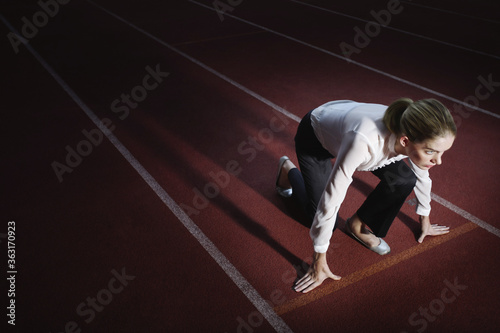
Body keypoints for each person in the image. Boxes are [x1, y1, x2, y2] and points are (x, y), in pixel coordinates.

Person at [275, 98, 457, 293]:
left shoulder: (411, 133)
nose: (438, 161)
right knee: (320, 216)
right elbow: (331, 199)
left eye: (442, 152)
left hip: (347, 126)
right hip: (315, 137)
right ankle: (288, 171)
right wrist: (318, 260)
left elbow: (422, 174)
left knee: (404, 179)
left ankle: (357, 224)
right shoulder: (364, 142)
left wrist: (425, 219)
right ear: (405, 141)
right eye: (431, 152)